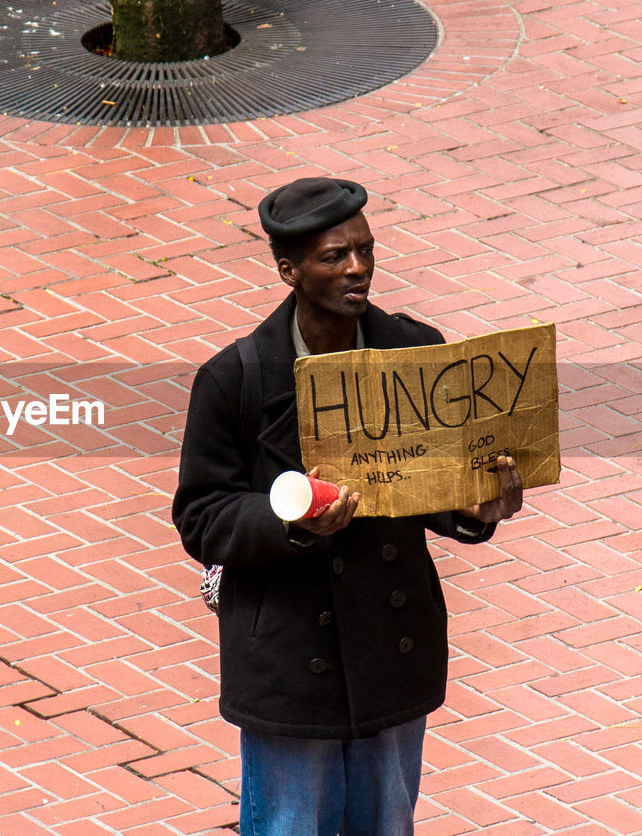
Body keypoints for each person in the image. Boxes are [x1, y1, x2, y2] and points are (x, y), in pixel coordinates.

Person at [171, 177, 523, 835]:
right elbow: (201, 516)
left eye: (365, 249)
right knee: (290, 824)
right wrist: (291, 524)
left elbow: (433, 484)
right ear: (289, 269)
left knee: (388, 823)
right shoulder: (235, 379)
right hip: (287, 656)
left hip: (389, 647)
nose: (357, 267)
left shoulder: (414, 354)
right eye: (335, 255)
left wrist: (476, 508)